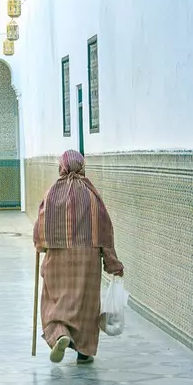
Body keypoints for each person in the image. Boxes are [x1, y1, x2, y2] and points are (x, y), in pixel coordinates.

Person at [34, 150, 124, 363]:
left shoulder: (51, 194)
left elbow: (40, 231)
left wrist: (40, 247)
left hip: (58, 259)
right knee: (86, 305)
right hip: (88, 260)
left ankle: (60, 334)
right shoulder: (92, 196)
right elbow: (105, 231)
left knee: (54, 302)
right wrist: (113, 264)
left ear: (61, 167)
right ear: (81, 167)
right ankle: (84, 353)